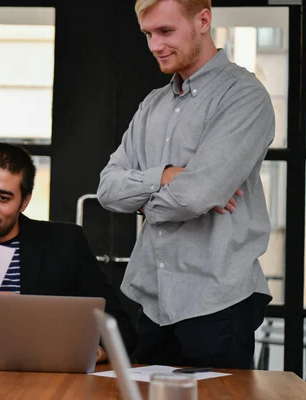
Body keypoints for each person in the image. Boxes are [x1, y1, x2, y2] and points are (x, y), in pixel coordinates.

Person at [97, 0, 274, 369]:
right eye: (148, 34)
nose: (154, 46)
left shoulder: (244, 96)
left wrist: (146, 200)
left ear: (203, 21)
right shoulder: (152, 105)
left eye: (165, 31)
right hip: (153, 299)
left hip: (218, 302)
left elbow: (193, 196)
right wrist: (165, 176)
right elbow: (107, 190)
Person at [0, 143, 137, 361]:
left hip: (48, 381)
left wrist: (101, 350)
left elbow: (119, 326)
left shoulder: (66, 243)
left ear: (24, 202)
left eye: (3, 197)